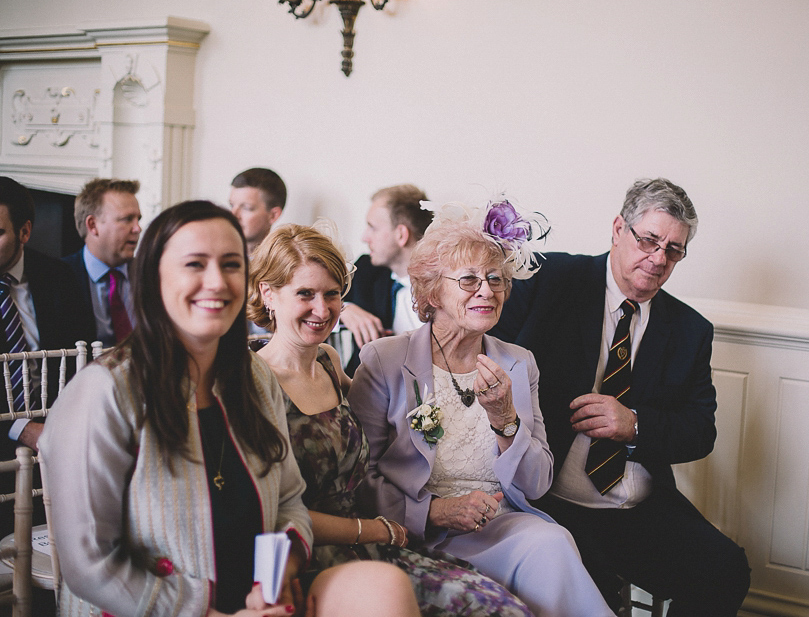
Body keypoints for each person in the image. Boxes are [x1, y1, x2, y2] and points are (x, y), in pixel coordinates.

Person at [39, 200, 418, 617]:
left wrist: (272, 583)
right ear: (153, 276)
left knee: (387, 591)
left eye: (232, 264)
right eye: (195, 265)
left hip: (255, 602)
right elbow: (91, 566)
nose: (217, 281)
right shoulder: (103, 392)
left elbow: (289, 503)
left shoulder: (254, 378)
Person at [491, 178, 751, 616]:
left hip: (639, 509)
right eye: (649, 240)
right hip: (550, 503)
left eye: (674, 249)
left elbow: (700, 432)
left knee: (726, 569)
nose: (658, 259)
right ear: (618, 229)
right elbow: (485, 356)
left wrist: (634, 424)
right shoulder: (549, 279)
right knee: (595, 596)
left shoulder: (690, 330)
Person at [249, 223, 532, 616]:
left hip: (375, 542)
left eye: (332, 294)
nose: (322, 309)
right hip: (306, 552)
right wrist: (379, 528)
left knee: (502, 608)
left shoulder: (330, 363)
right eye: (305, 294)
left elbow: (383, 424)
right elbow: (269, 509)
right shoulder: (252, 381)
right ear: (268, 294)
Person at [350, 198, 613, 617]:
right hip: (412, 530)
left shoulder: (518, 362)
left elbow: (537, 484)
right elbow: (357, 477)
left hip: (501, 527)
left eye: (496, 279)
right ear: (433, 289)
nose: (487, 291)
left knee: (552, 541)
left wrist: (505, 420)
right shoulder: (384, 360)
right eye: (470, 279)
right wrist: (434, 511)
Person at [0, 176, 84, 541]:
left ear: (25, 231)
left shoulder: (58, 276)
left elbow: (83, 355)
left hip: (59, 428)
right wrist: (25, 429)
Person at [340, 184, 432, 375]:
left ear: (401, 235)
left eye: (372, 228)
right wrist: (344, 309)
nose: (364, 237)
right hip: (365, 391)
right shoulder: (366, 270)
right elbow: (315, 301)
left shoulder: (449, 281)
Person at [62, 177, 142, 345]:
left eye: (138, 219)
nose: (137, 228)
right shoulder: (59, 277)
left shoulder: (150, 273)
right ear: (93, 225)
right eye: (127, 219)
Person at [229, 167, 287, 256]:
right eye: (232, 205)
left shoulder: (285, 264)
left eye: (246, 208)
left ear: (273, 215)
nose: (233, 215)